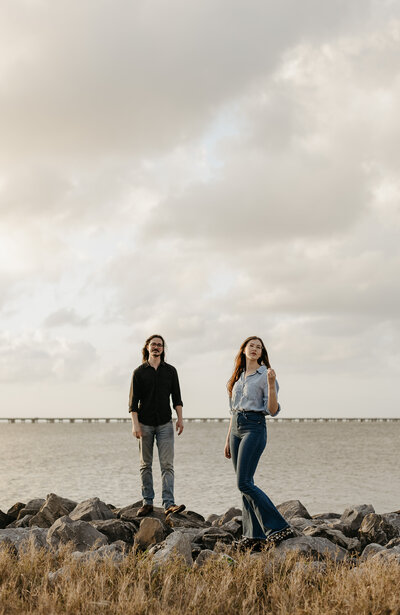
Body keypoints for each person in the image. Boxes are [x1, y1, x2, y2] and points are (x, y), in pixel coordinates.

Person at [224, 336, 295, 551]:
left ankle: (279, 526)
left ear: (262, 352)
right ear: (243, 349)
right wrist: (228, 438)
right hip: (236, 427)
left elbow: (272, 410)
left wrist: (272, 385)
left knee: (244, 483)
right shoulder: (237, 377)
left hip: (254, 427)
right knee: (244, 484)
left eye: (259, 347)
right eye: (251, 345)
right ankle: (253, 535)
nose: (254, 349)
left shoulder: (266, 375)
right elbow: (233, 411)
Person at [129, 334, 185, 517]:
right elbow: (133, 403)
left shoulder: (170, 371)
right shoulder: (138, 372)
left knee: (167, 465)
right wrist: (135, 425)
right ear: (147, 347)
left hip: (165, 424)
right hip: (144, 424)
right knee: (145, 465)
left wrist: (180, 419)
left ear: (163, 349)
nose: (156, 347)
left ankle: (169, 503)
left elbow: (176, 397)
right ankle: (147, 502)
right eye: (153, 344)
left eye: (160, 345)